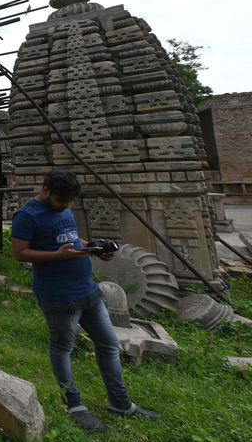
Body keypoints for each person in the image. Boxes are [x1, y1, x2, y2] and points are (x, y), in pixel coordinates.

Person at [10, 170, 159, 432]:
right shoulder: (26, 215)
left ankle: (120, 402)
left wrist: (93, 248)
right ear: (46, 191)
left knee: (109, 344)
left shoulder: (64, 208)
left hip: (88, 291)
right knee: (63, 347)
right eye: (62, 202)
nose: (66, 206)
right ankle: (74, 405)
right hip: (58, 295)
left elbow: (70, 238)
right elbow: (20, 253)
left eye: (69, 203)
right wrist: (59, 256)